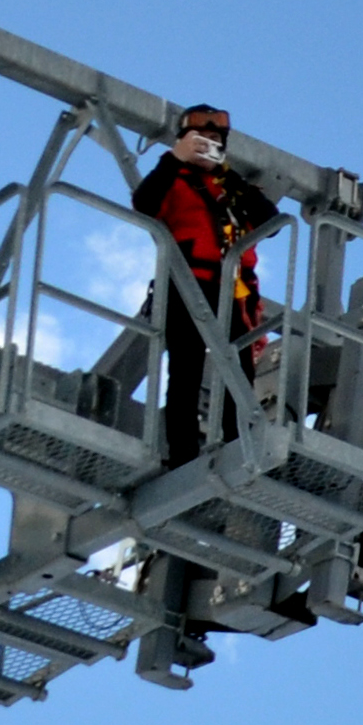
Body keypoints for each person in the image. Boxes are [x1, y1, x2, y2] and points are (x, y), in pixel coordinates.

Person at [131, 104, 276, 469]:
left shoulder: (233, 189)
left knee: (239, 373)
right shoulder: (171, 180)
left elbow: (270, 221)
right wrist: (173, 159)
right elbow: (143, 203)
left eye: (215, 141)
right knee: (186, 370)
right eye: (200, 140)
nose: (207, 147)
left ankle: (237, 448)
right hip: (187, 287)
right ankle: (181, 456)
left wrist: (231, 177)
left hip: (233, 294)